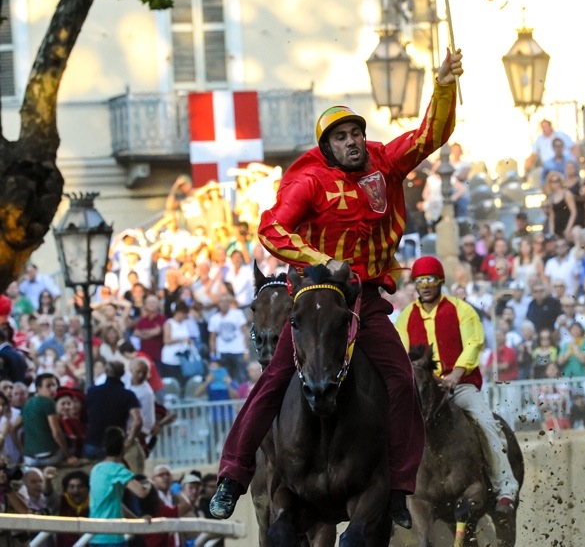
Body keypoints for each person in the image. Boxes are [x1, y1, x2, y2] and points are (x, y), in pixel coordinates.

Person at [209, 49, 464, 527]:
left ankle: (397, 488)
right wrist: (320, 261)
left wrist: (444, 85)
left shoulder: (384, 163)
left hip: (363, 300)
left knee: (403, 382)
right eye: (341, 137)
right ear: (326, 147)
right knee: (273, 381)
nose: (352, 142)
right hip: (312, 298)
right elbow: (271, 231)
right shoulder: (306, 181)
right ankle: (233, 476)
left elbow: (433, 135)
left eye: (356, 134)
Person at [395, 256, 520, 512]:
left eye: (430, 279)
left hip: (460, 386)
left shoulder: (461, 309)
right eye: (420, 281)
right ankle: (394, 498)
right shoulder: (406, 317)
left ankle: (504, 488)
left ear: (440, 281)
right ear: (415, 285)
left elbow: (474, 343)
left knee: (486, 423)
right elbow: (400, 353)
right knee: (392, 431)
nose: (426, 285)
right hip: (422, 391)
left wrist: (456, 374)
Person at [89, 426, 152, 547]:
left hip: (95, 536)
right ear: (123, 448)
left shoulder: (96, 469)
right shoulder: (118, 469)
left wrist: (136, 519)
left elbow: (116, 504)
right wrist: (148, 483)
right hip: (112, 537)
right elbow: (141, 492)